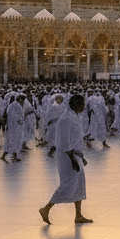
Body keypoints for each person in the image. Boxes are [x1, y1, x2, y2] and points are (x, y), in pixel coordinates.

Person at [39, 94, 92, 225]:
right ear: (75, 105)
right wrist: (73, 160)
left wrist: (81, 157)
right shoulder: (66, 119)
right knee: (68, 185)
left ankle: (78, 215)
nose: (84, 107)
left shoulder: (74, 116)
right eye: (82, 104)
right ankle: (46, 209)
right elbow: (64, 142)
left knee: (79, 185)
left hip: (76, 155)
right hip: (67, 157)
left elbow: (75, 139)